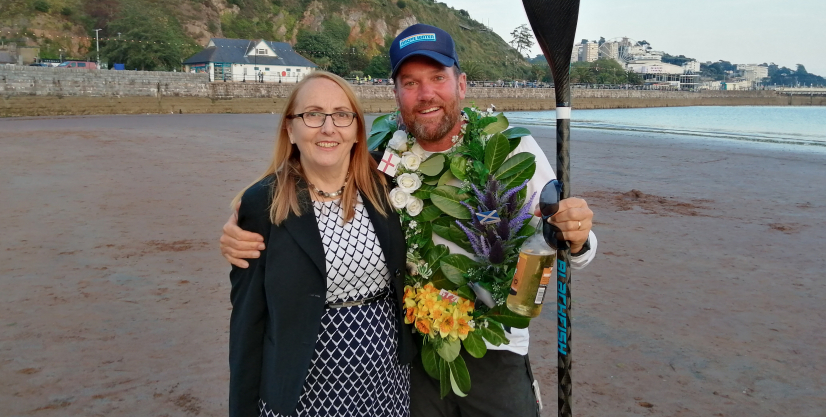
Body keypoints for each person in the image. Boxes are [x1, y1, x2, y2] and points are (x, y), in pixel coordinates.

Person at [222, 25, 597, 417]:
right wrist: (239, 224)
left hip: (495, 348)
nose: (426, 93)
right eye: (411, 82)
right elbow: (315, 172)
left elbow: (569, 242)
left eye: (438, 78)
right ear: (396, 92)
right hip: (412, 352)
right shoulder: (381, 154)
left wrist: (578, 236)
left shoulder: (511, 149)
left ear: (461, 84)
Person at [228, 71, 415, 417]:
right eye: (313, 114)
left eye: (342, 115)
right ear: (290, 127)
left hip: (386, 386)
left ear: (357, 130)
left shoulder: (384, 188)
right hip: (306, 393)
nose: (329, 128)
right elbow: (247, 323)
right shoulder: (263, 205)